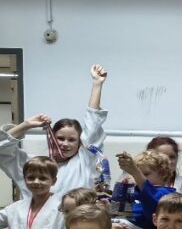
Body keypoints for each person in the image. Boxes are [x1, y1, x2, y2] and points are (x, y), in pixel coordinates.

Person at [0, 64, 109, 199]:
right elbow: (2, 150)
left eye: (72, 140)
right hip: (34, 213)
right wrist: (25, 125)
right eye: (60, 138)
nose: (65, 144)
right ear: (51, 138)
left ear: (79, 143)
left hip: (76, 213)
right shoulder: (33, 165)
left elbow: (92, 127)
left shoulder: (84, 162)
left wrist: (97, 84)